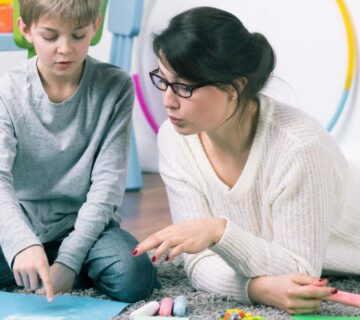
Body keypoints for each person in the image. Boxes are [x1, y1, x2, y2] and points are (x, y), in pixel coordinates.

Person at [132, 6, 360, 314]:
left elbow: (300, 271)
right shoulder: (174, 140)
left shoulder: (299, 146)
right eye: (163, 80)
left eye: (184, 87)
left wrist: (219, 232)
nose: (167, 100)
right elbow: (197, 261)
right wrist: (256, 288)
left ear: (234, 88)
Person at [0, 0, 158, 303]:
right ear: (26, 30)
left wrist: (69, 261)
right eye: (50, 37)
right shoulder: (8, 90)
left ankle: (56, 267)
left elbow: (107, 186)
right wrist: (20, 243)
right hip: (22, 219)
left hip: (85, 224)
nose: (65, 49)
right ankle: (36, 262)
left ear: (94, 27)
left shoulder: (116, 86)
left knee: (135, 274)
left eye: (78, 35)